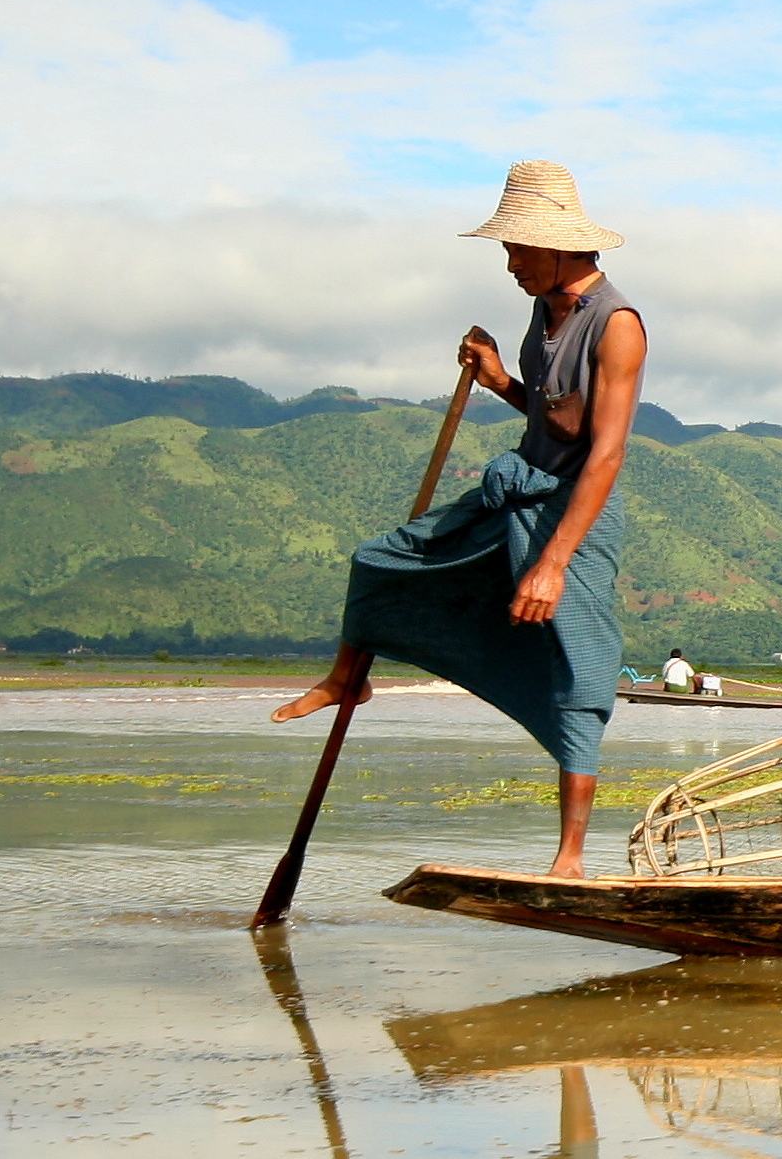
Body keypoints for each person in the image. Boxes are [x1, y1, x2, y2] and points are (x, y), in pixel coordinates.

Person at [271, 159, 648, 879]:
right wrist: (500, 375)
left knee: (581, 668)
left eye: (517, 249)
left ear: (562, 245)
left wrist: (553, 564)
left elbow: (603, 455)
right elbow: (552, 418)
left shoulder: (617, 326)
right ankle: (350, 676)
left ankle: (569, 858)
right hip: (516, 492)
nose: (509, 264)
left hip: (575, 516)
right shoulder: (546, 309)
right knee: (383, 559)